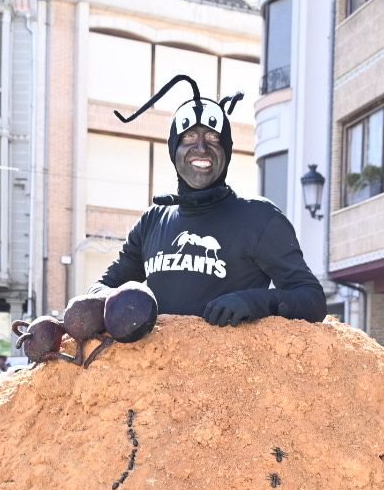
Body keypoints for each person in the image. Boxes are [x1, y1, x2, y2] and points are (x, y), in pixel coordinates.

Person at [94, 75, 326, 326]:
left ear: (226, 150)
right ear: (174, 150)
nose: (201, 148)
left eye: (214, 138)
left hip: (228, 363)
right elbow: (103, 288)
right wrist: (101, 306)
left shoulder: (259, 218)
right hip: (160, 363)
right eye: (189, 137)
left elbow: (312, 299)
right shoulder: (153, 220)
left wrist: (254, 302)